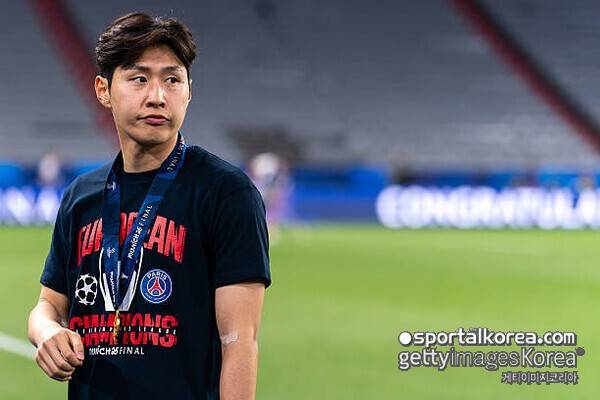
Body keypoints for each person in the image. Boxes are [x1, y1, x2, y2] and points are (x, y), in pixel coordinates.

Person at [27, 12, 271, 399]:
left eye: (172, 80)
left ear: (188, 91)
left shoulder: (226, 193)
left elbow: (239, 341)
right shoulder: (81, 196)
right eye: (139, 79)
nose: (157, 96)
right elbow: (48, 305)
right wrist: (47, 331)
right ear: (103, 90)